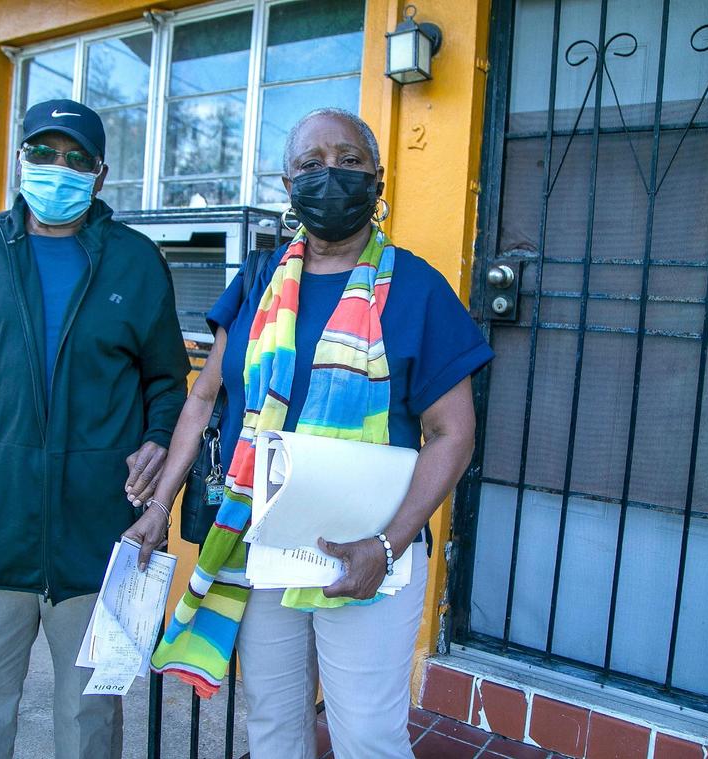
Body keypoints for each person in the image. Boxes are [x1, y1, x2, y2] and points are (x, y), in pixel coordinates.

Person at [125, 108, 494, 758]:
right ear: (287, 182)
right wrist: (158, 504)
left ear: (378, 178)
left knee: (366, 736)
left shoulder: (415, 288)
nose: (330, 175)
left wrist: (388, 541)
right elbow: (204, 395)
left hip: (371, 551)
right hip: (265, 546)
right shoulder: (259, 281)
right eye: (310, 164)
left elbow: (452, 433)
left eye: (349, 160)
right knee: (273, 724)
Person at [0, 98, 189, 759]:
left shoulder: (136, 262)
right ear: (19, 160)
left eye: (76, 158)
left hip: (97, 543)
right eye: (43, 153)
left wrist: (160, 437)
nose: (58, 168)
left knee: (91, 725)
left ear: (101, 175)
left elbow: (169, 381)